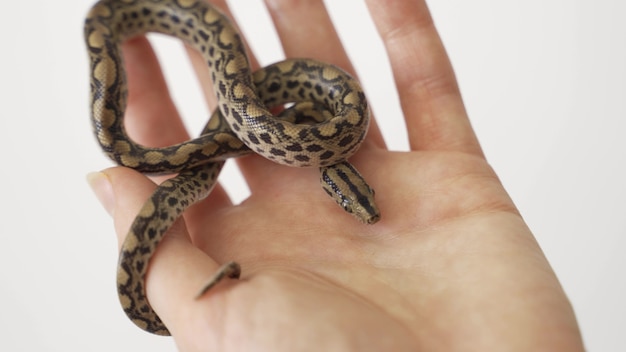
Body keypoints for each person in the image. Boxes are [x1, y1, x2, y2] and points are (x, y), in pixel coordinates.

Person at [87, 0, 585, 350]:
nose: (362, 207)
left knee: (149, 145)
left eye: (356, 199)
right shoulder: (318, 129)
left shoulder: (340, 122)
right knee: (124, 146)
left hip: (289, 112)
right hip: (238, 98)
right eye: (353, 201)